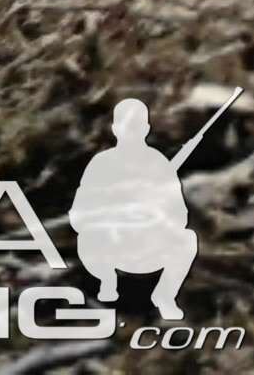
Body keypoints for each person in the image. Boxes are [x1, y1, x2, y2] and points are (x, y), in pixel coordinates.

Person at [67, 98, 198, 318]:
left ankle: (165, 295)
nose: (131, 132)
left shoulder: (158, 163)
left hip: (149, 244)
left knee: (187, 239)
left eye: (136, 126)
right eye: (126, 126)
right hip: (111, 245)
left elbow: (179, 214)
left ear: (146, 128)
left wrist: (154, 212)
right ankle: (107, 284)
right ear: (115, 128)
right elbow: (78, 215)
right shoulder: (102, 164)